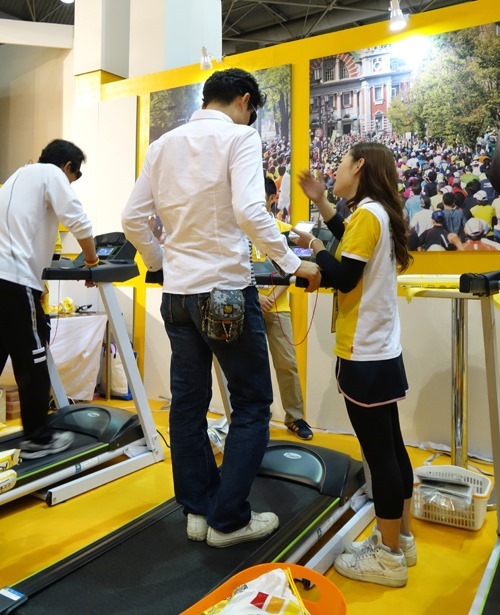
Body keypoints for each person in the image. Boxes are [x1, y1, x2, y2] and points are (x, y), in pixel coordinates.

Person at [121, 68, 321, 549]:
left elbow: (131, 219)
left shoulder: (163, 145)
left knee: (188, 405)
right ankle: (228, 520)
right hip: (226, 291)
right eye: (252, 111)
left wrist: (159, 261)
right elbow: (250, 212)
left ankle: (197, 510)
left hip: (177, 296)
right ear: (245, 100)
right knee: (251, 403)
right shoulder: (240, 137)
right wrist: (294, 263)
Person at [295, 141, 414, 588]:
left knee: (380, 457)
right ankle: (401, 539)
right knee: (392, 449)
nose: (336, 171)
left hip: (363, 354)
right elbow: (348, 239)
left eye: (341, 163)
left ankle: (387, 557)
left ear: (359, 166)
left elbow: (345, 275)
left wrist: (312, 247)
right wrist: (322, 202)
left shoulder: (368, 215)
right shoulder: (378, 214)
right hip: (381, 351)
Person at [0, 139, 98, 459]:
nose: (71, 182)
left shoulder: (18, 176)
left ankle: (37, 433)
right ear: (67, 166)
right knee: (33, 360)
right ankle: (39, 440)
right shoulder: (52, 174)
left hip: (5, 277)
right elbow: (78, 220)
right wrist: (92, 261)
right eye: (74, 177)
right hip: (15, 280)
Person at [255, 177, 313, 440]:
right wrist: (257, 298)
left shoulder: (285, 230)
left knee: (287, 363)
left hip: (278, 307)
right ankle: (257, 416)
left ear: (272, 199)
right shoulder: (241, 231)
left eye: (261, 196)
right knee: (252, 366)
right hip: (250, 305)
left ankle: (295, 417)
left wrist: (271, 296)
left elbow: (291, 269)